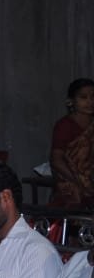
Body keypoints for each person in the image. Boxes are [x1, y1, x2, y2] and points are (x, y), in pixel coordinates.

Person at [49, 78, 94, 208]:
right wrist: (78, 181)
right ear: (71, 101)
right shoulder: (65, 125)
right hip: (72, 183)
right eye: (83, 97)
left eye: (93, 97)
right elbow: (56, 160)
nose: (90, 102)